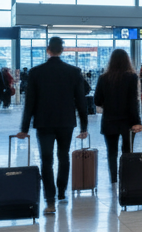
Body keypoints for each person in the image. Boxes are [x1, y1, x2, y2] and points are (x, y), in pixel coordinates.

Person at [17, 37, 90, 214]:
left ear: (48, 50)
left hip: (44, 122)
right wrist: (84, 126)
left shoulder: (36, 72)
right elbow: (82, 101)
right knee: (63, 156)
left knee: (47, 159)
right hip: (66, 122)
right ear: (62, 50)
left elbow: (30, 103)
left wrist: (24, 128)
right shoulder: (73, 72)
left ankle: (49, 200)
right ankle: (62, 193)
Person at [94, 48, 142, 187]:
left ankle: (114, 179)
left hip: (109, 120)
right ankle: (126, 175)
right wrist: (137, 122)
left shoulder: (103, 78)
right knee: (127, 150)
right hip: (128, 121)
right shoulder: (132, 77)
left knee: (111, 152)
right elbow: (133, 102)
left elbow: (97, 100)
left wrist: (108, 103)